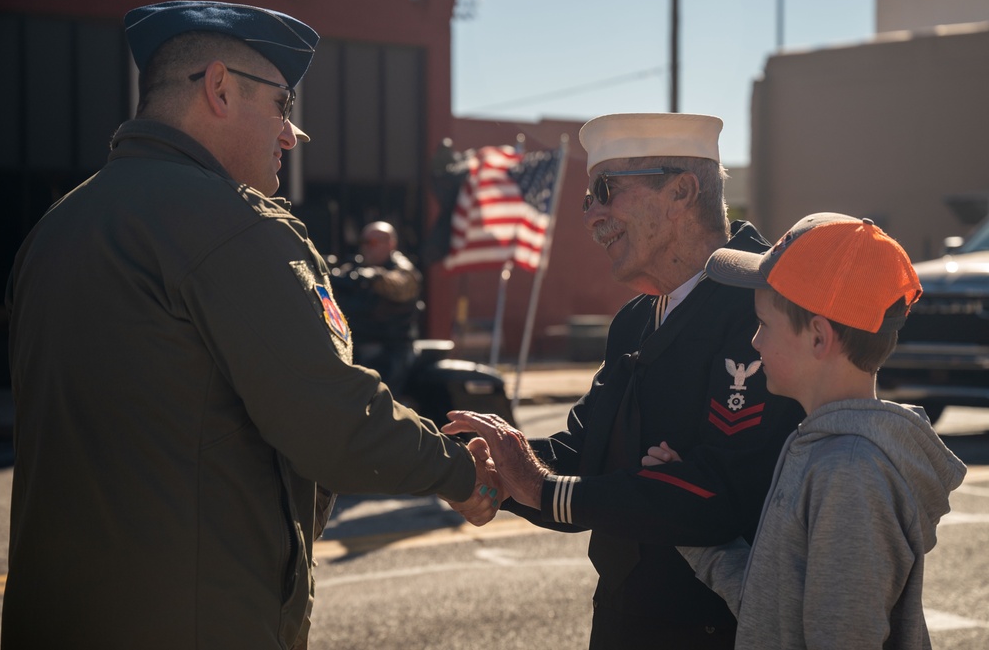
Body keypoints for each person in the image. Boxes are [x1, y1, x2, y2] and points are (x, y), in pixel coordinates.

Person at [3, 1, 499, 650]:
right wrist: (462, 474)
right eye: (283, 105)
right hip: (193, 620)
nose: (292, 135)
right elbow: (334, 422)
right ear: (219, 88)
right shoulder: (235, 225)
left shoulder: (55, 227)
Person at [443, 112, 805, 648]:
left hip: (717, 629)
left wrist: (541, 489)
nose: (593, 215)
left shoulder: (762, 304)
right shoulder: (636, 318)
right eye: (590, 198)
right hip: (622, 618)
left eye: (605, 190)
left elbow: (722, 495)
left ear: (682, 191)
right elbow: (585, 457)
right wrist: (493, 471)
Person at [667, 212, 967, 649]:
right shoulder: (825, 447)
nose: (754, 342)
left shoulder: (848, 471)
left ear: (818, 339)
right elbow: (772, 604)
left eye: (764, 324)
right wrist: (689, 525)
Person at [332, 221, 422, 396]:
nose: (366, 248)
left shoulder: (403, 270)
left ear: (390, 244)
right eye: (363, 243)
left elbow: (401, 286)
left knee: (380, 396)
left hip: (391, 348)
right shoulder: (355, 267)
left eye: (372, 243)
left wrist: (375, 277)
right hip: (358, 345)